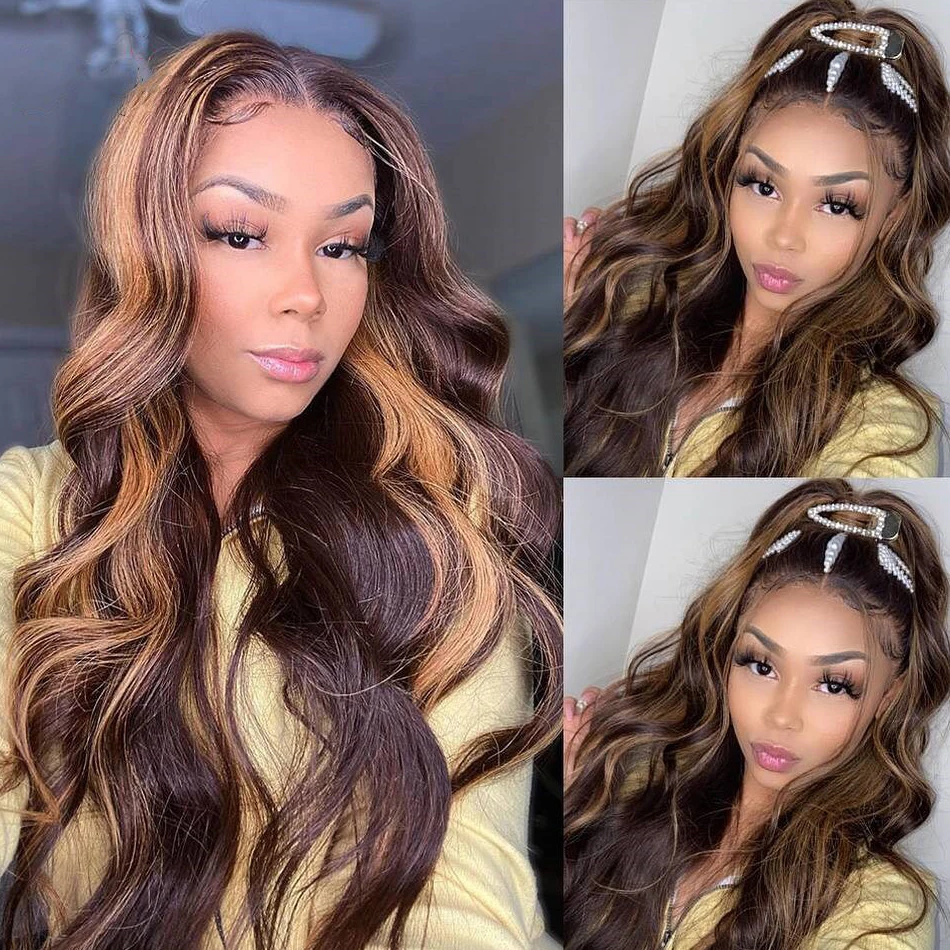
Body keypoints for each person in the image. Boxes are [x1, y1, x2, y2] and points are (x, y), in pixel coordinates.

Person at [0, 30, 561, 950]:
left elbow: (465, 897)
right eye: (239, 234)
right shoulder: (34, 506)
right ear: (145, 250)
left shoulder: (437, 542)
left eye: (342, 245)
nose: (307, 294)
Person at [564, 1, 950, 477]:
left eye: (836, 205)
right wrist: (573, 327)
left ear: (894, 216)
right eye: (763, 186)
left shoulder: (885, 426)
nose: (784, 237)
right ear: (729, 174)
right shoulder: (638, 308)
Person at [563, 479, 950, 949]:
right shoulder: (638, 789)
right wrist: (573, 807)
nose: (782, 716)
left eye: (833, 684)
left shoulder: (880, 910)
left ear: (888, 697)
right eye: (761, 665)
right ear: (727, 654)